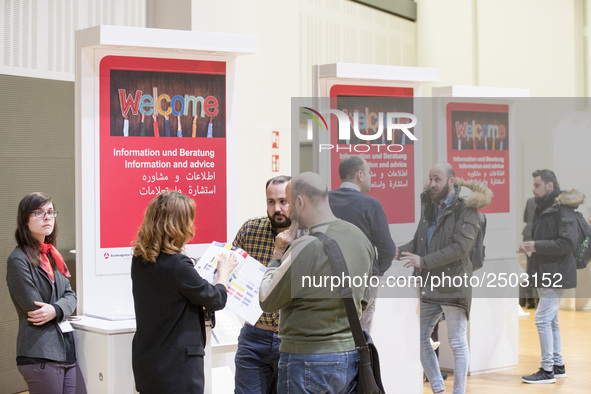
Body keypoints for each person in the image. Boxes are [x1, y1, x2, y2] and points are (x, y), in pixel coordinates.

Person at [260, 172, 374, 394]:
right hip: (349, 356)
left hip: (305, 358)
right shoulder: (360, 238)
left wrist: (277, 254)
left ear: (300, 202)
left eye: (288, 202)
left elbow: (267, 298)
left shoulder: (304, 246)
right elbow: (363, 301)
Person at [131, 191, 238, 394]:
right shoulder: (178, 266)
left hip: (148, 364)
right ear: (179, 225)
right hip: (177, 368)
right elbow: (216, 298)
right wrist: (223, 274)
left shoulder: (140, 260)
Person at [399, 163, 491, 394]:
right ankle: (439, 389)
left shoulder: (467, 208)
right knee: (420, 340)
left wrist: (424, 261)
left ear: (451, 181)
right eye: (430, 178)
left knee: (457, 342)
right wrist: (395, 250)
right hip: (430, 284)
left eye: (437, 179)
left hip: (454, 284)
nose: (432, 184)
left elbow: (461, 248)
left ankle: (458, 392)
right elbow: (420, 242)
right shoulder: (429, 206)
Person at [6, 192, 87, 394]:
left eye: (50, 212)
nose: (47, 217)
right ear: (25, 219)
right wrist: (58, 308)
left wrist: (56, 309)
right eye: (39, 213)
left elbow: (71, 295)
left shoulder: (51, 254)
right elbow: (35, 308)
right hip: (40, 352)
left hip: (66, 350)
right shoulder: (18, 260)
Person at [520, 169, 580, 384]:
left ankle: (547, 370)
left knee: (542, 319)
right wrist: (530, 246)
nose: (533, 189)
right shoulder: (543, 206)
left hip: (556, 272)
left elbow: (567, 243)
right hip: (546, 270)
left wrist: (536, 246)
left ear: (550, 186)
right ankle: (557, 365)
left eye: (537, 185)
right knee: (551, 320)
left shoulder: (562, 209)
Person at [232, 175, 291, 394]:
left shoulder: (308, 234)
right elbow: (231, 267)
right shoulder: (251, 229)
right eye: (271, 202)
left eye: (283, 201)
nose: (277, 208)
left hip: (291, 340)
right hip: (254, 337)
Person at [328, 155, 397, 332]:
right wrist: (378, 271)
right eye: (369, 172)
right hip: (364, 279)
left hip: (329, 275)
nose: (371, 176)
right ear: (360, 175)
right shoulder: (371, 204)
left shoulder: (325, 200)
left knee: (333, 331)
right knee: (361, 333)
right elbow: (387, 248)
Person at [520, 197, 538, 309]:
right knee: (538, 268)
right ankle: (539, 299)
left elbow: (525, 218)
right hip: (538, 235)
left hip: (527, 234)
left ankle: (530, 300)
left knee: (529, 268)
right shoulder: (548, 201)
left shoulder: (529, 200)